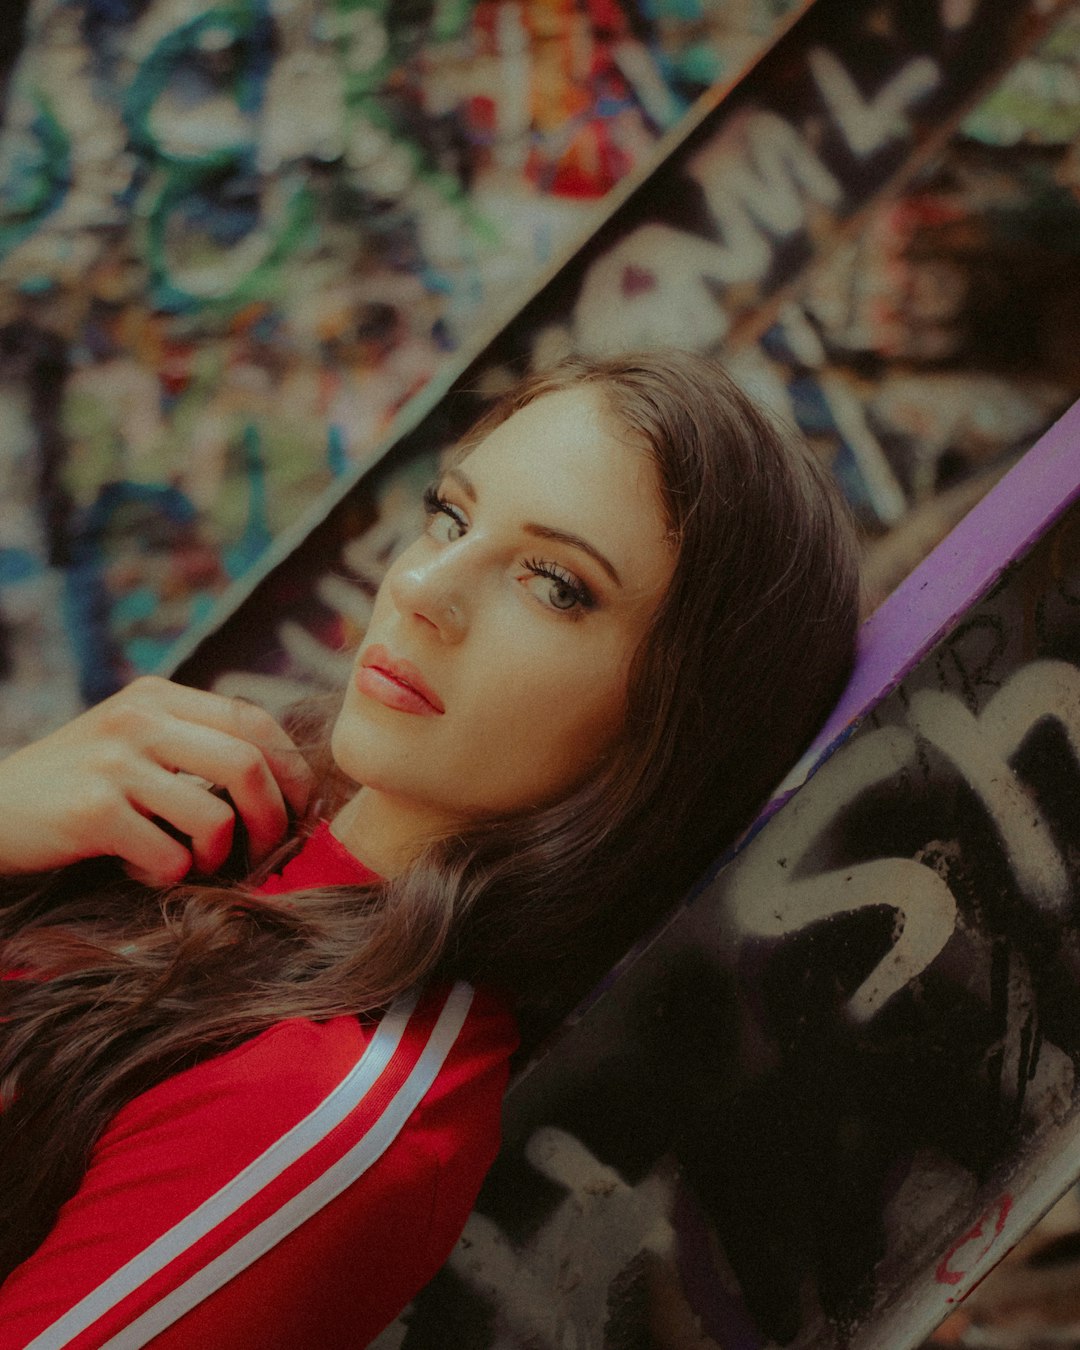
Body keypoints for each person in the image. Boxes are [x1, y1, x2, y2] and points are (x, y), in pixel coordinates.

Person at [0, 350, 861, 1348]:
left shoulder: (326, 1112)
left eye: (554, 584)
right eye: (451, 516)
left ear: (675, 725)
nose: (421, 586)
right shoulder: (197, 808)